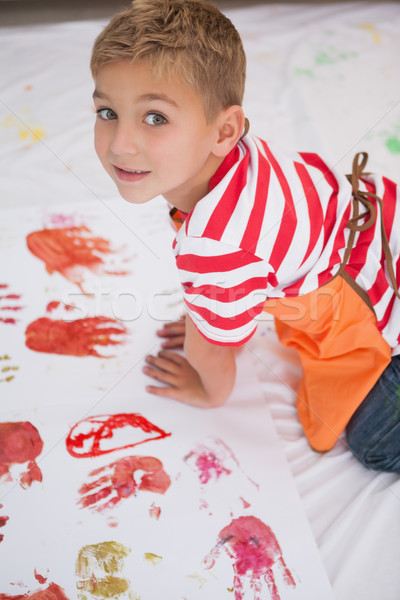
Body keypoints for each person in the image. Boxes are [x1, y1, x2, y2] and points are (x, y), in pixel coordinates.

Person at [90, 0, 400, 472]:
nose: (120, 143)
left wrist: (208, 385)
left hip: (379, 301)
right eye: (107, 111)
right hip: (383, 218)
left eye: (155, 117)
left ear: (225, 130)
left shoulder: (214, 247)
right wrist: (208, 312)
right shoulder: (243, 154)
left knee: (374, 442)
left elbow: (212, 348)